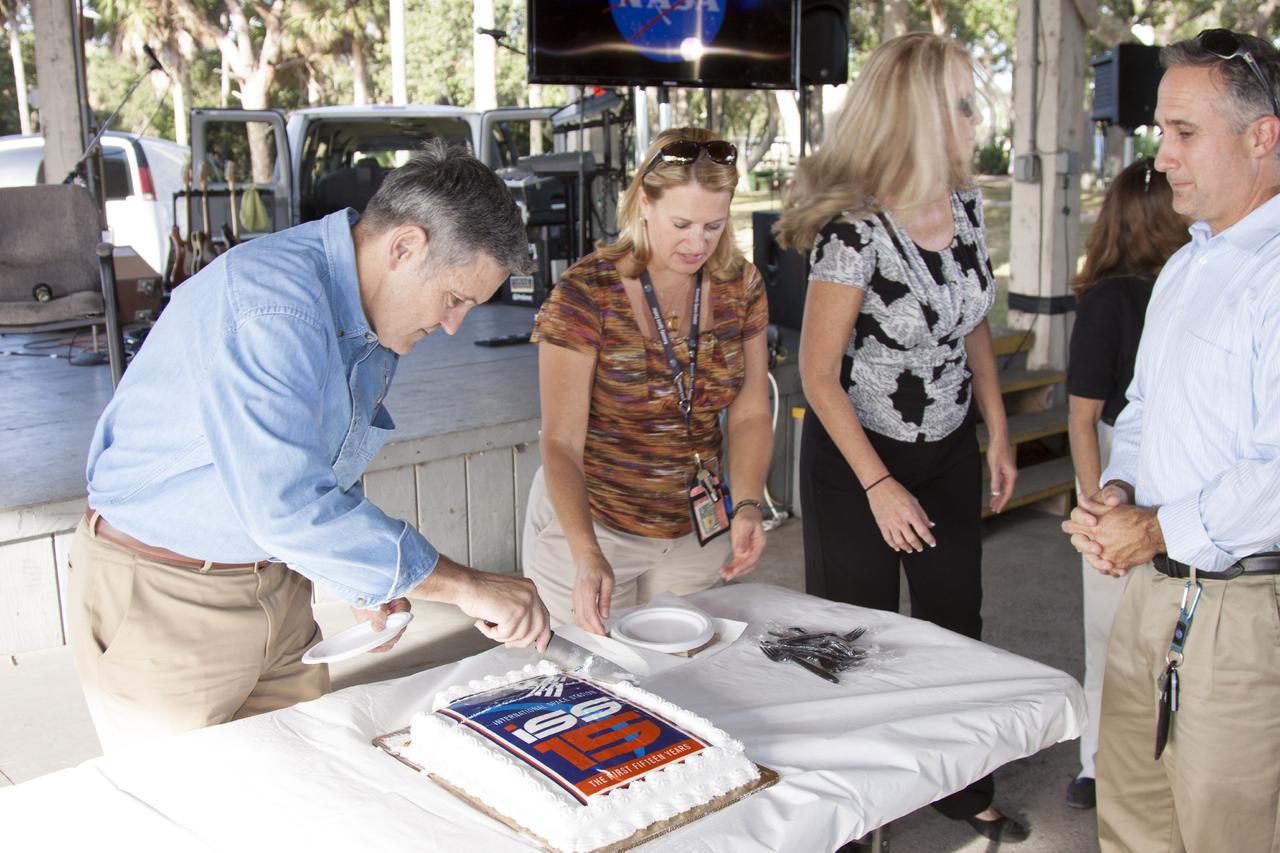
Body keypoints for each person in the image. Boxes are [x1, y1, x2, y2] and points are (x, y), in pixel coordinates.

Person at [69, 141, 551, 755]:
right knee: (184, 815)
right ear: (404, 247)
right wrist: (463, 585)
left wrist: (360, 577)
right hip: (166, 597)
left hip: (281, 585)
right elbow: (287, 507)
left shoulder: (376, 316)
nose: (454, 325)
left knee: (304, 791)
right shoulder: (274, 307)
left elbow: (321, 467)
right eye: (454, 299)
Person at [777, 33, 1027, 843]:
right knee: (856, 639)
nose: (973, 117)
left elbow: (974, 323)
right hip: (858, 459)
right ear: (918, 114)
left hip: (949, 441)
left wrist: (996, 427)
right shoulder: (853, 232)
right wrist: (880, 486)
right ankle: (855, 809)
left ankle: (959, 785)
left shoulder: (965, 205)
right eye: (959, 103)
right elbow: (817, 375)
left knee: (958, 621)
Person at [1063, 29, 1280, 852]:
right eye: (1161, 131)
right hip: (1155, 593)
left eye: (1185, 133)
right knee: (1132, 818)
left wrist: (1152, 526)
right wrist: (1120, 490)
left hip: (1247, 612)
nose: (1163, 158)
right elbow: (1145, 408)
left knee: (1227, 831)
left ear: (1263, 136)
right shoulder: (1190, 263)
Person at [523, 127, 772, 635]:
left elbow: (749, 412)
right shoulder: (586, 293)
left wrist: (747, 504)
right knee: (596, 684)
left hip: (693, 532)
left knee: (686, 678)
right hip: (593, 526)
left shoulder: (740, 285)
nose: (698, 243)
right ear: (643, 202)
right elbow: (561, 442)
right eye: (682, 223)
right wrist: (587, 555)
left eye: (713, 225)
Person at [1062, 159, 1189, 811]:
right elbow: (1084, 417)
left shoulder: (1197, 279)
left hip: (1183, 474)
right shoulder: (1111, 300)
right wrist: (1096, 503)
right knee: (1109, 630)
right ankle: (1096, 760)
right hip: (1119, 468)